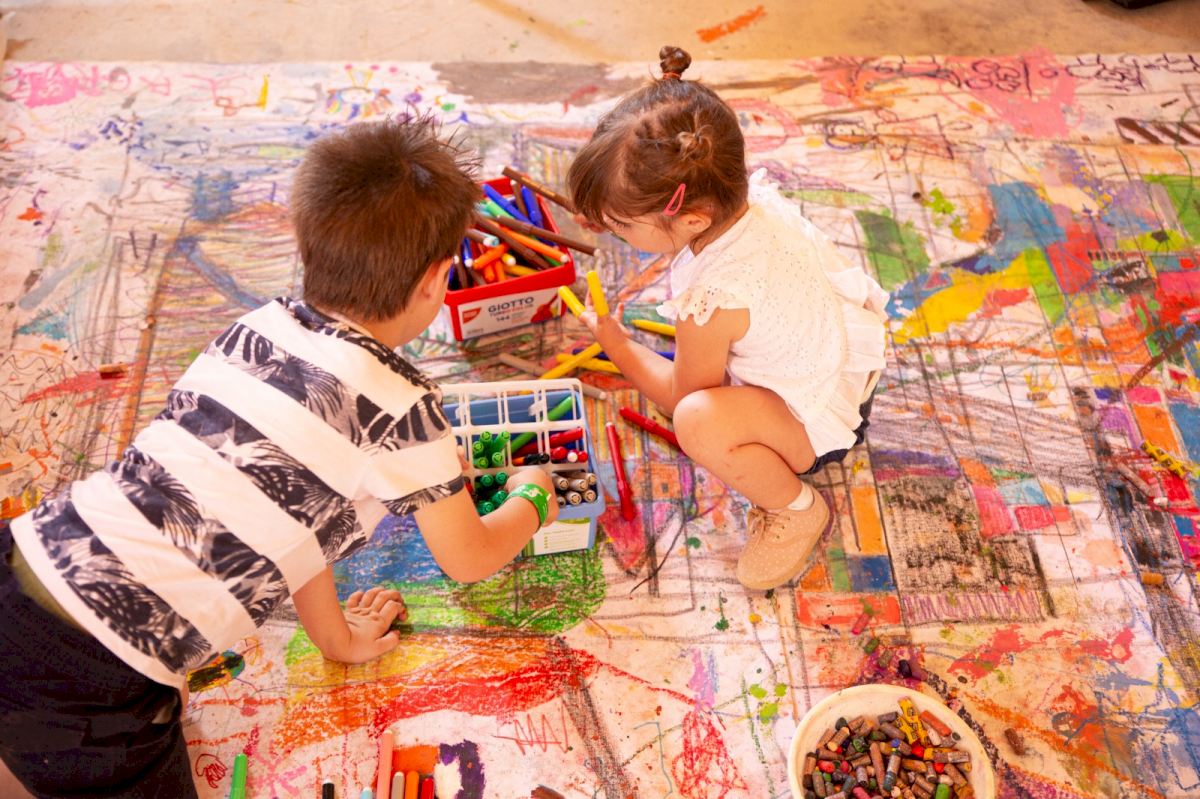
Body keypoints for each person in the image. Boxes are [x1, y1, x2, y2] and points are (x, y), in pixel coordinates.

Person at [0, 117, 557, 798]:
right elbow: (469, 557)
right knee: (55, 743)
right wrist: (534, 497)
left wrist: (337, 640)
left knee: (27, 721)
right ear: (438, 280)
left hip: (24, 558)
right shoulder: (404, 410)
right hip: (96, 675)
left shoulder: (255, 329)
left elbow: (289, 518)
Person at [568, 46, 888, 591]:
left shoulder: (712, 300)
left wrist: (618, 347)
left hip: (816, 425)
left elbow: (683, 397)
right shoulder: (747, 200)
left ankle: (795, 508)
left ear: (693, 219)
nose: (614, 232)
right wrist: (610, 207)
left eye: (621, 225)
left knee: (698, 420)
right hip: (845, 373)